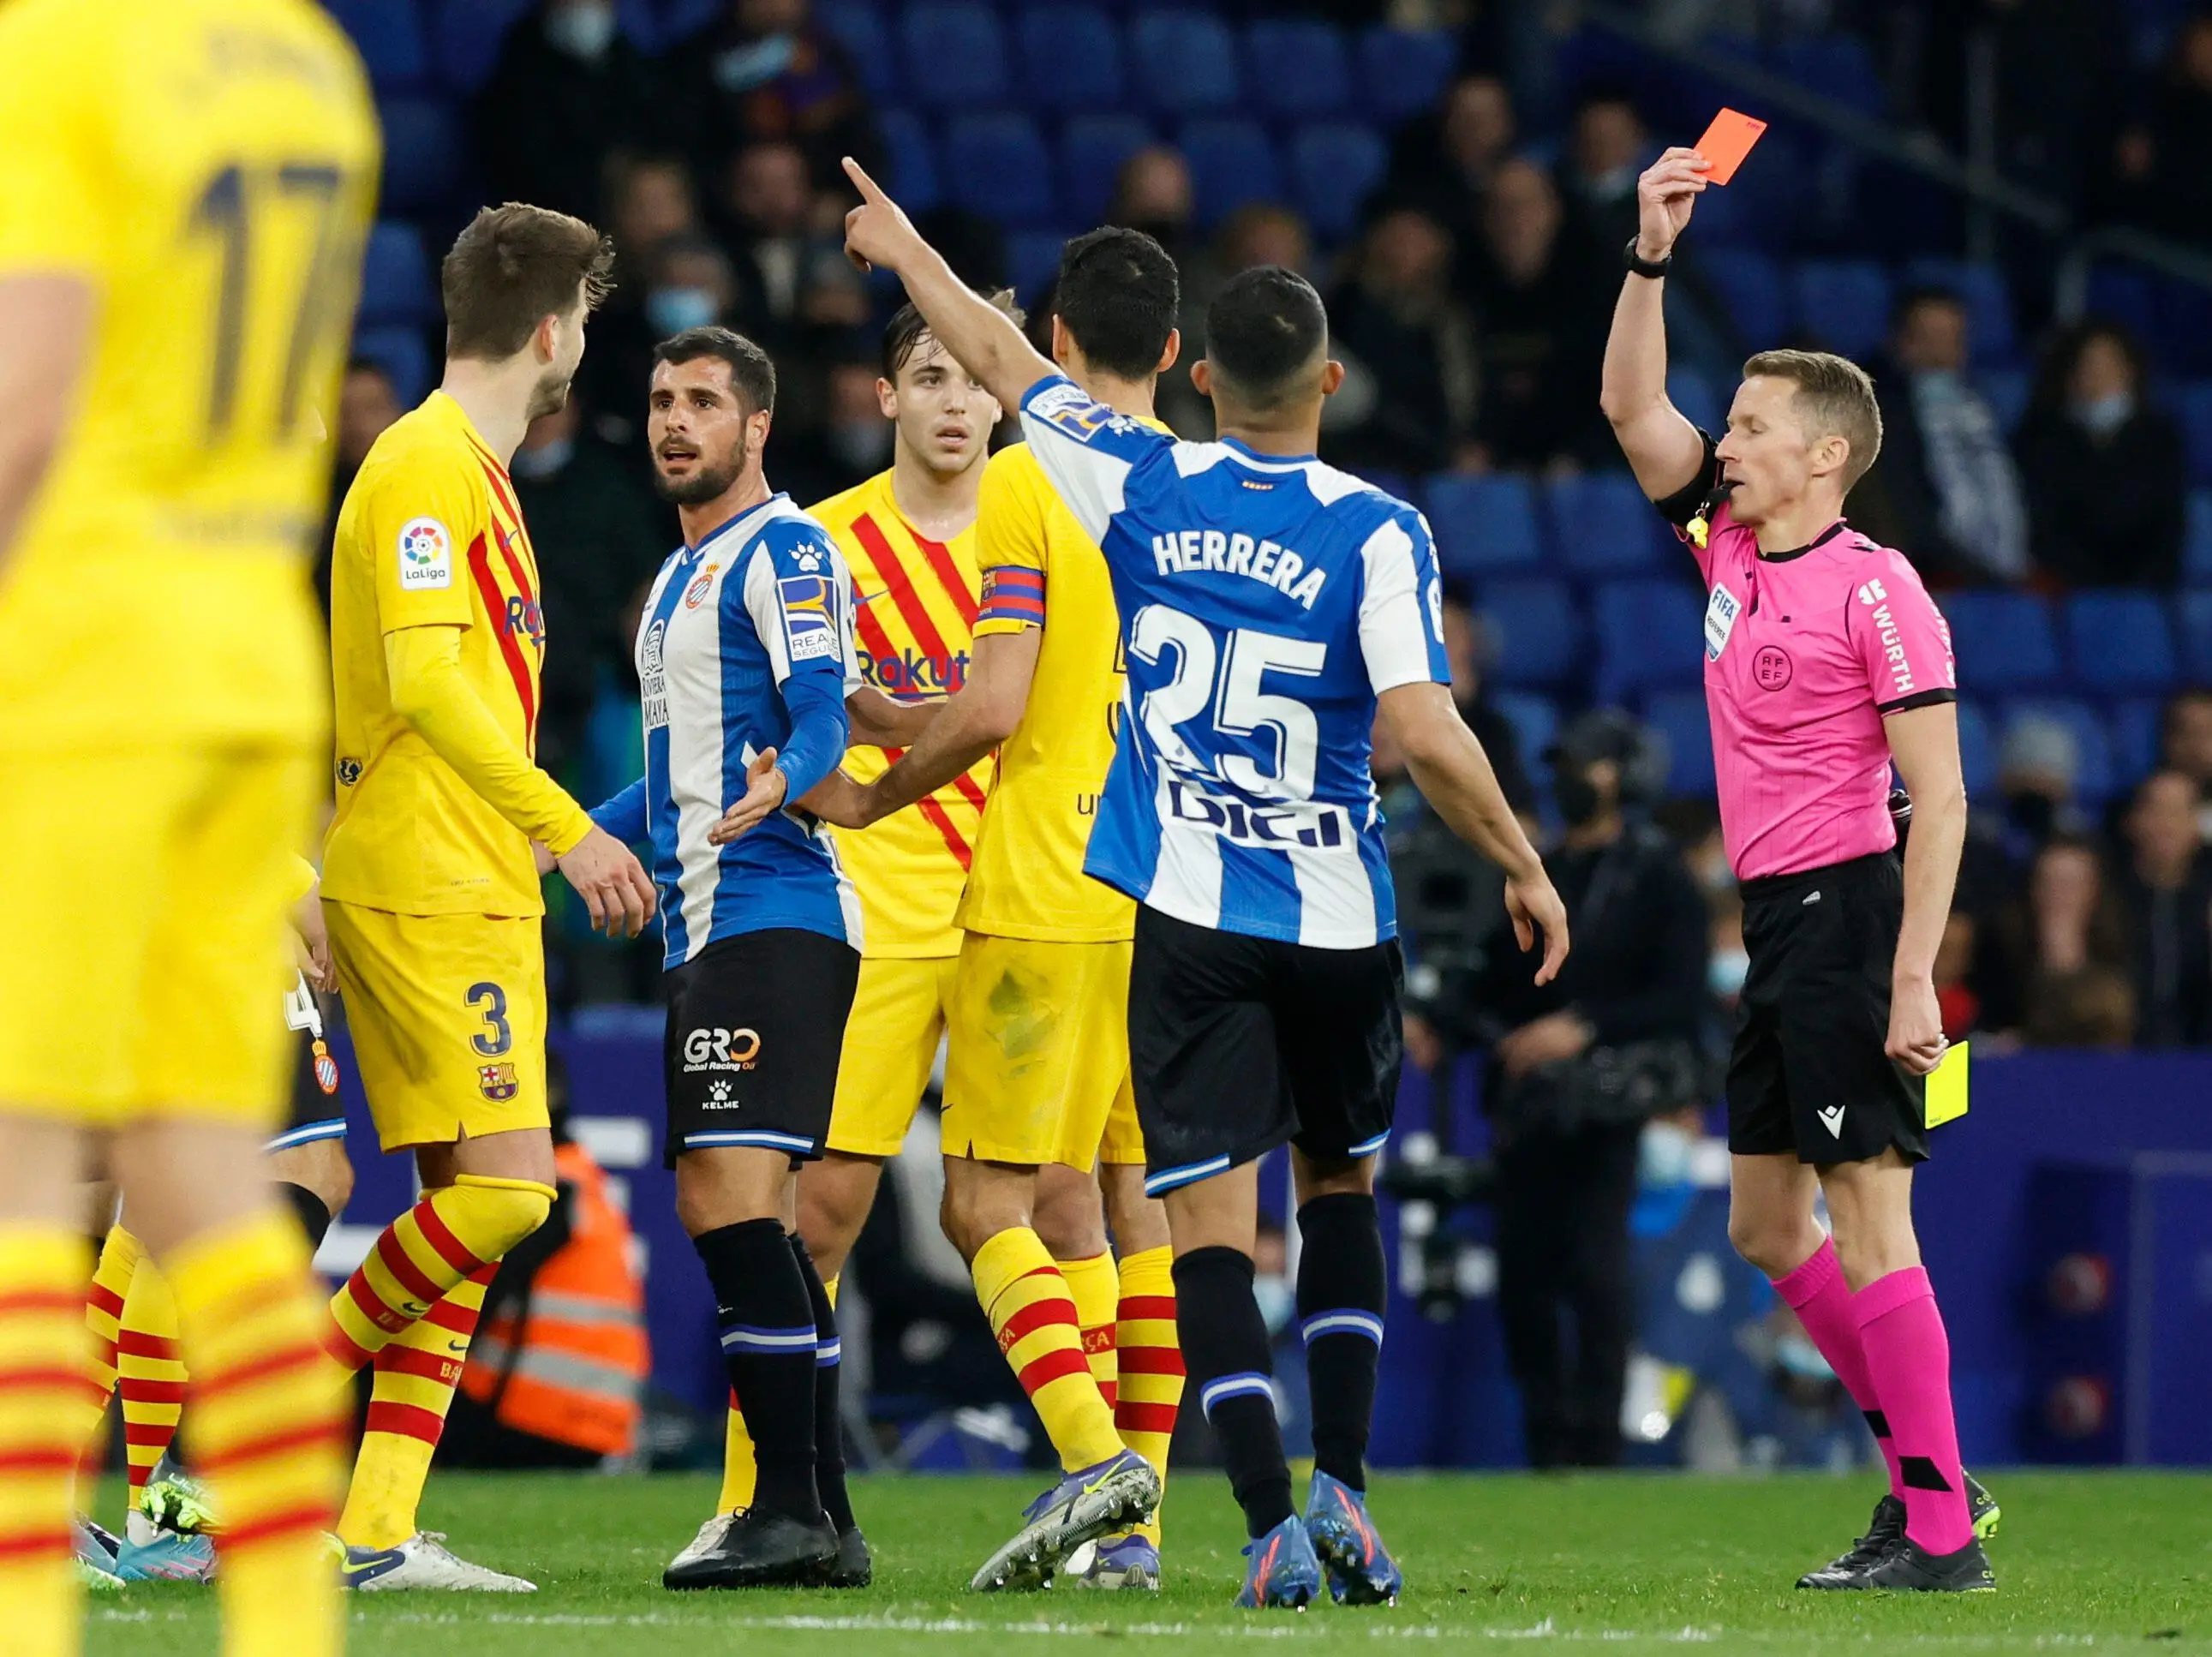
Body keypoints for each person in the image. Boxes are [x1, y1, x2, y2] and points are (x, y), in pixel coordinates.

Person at [837, 156, 1568, 1610]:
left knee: (1199, 1228)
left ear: (1203, 376)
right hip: (1336, 912)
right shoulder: (1380, 527)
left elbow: (998, 358)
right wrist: (1523, 862)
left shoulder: (1137, 474)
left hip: (1179, 909)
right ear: (1331, 381)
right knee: (1338, 1193)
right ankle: (1342, 1486)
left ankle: (1256, 1526)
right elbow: (1425, 731)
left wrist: (907, 246)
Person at [0, 1, 376, 1650]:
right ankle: (284, 1619)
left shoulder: (56, 58)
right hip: (249, 671)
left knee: (23, 1169)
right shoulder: (311, 68)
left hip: (84, 665)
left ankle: (23, 1611)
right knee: (210, 1179)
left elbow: (28, 402)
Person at [1599, 145, 1998, 1592]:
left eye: (1753, 425)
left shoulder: (1877, 587)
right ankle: (1928, 1476)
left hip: (1849, 911)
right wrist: (1649, 254)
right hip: (1777, 919)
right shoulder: (1726, 545)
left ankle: (1938, 1530)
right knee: (1767, 1225)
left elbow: (1939, 796)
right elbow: (1628, 404)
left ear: (1823, 454)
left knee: (1868, 1214)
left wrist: (1912, 977)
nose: (1727, 440)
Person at [806, 230, 1197, 1594]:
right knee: (1122, 1200)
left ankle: (1096, 1458)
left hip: (1041, 882)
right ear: (1171, 352)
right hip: (1174, 893)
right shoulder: (1207, 486)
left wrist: (873, 790)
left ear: (1049, 338)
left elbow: (991, 707)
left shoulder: (1030, 482)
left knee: (984, 1203)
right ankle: (1134, 1535)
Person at [320, 204, 658, 1592]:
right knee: (515, 1194)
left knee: (463, 1208)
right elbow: (424, 681)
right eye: (586, 322)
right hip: (427, 879)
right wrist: (563, 828)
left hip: (468, 874)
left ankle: (374, 1527)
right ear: (553, 332)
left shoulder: (471, 471)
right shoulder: (423, 465)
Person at [666, 294, 1013, 1582]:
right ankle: (785, 1502)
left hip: (983, 902)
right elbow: (809, 715)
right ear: (884, 396)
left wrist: (830, 767)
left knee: (1056, 1207)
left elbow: (833, 709)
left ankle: (1119, 1506)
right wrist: (562, 833)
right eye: (927, 374)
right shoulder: (793, 545)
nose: (953, 399)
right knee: (793, 1218)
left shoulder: (1044, 524)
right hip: (838, 905)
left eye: (972, 375)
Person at [587, 326, 923, 1591]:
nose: (675, 421)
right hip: (709, 923)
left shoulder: (786, 548)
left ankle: (783, 1506)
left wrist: (795, 770)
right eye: (660, 400)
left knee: (725, 1202)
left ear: (757, 425)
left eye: (703, 402)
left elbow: (822, 703)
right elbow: (672, 777)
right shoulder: (680, 577)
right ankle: (823, 1511)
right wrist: (555, 842)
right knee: (759, 1221)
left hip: (771, 913)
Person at [75, 865, 362, 1585]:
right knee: (311, 1171)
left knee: (124, 1201)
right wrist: (291, 880)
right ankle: (183, 1484)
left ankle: (101, 1515)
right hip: (205, 903)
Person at [1473, 712, 1710, 1469]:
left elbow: (1682, 996)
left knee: (1596, 1270)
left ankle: (1599, 1443)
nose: (1572, 778)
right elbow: (1493, 980)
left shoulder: (1657, 873)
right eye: (1565, 764)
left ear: (1625, 775)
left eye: (1589, 764)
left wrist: (1585, 1027)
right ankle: (1546, 1442)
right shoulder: (1536, 870)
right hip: (1527, 1101)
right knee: (1524, 1276)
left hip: (1609, 1104)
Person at [1861, 289, 2029, 586]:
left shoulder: (1982, 407)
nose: (1939, 351)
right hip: (1927, 574)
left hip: (2005, 569)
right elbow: (1904, 511)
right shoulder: (1878, 414)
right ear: (1900, 341)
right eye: (1928, 338)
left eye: (1952, 338)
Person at [2014, 320, 2186, 589]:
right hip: (2067, 586)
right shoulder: (2039, 440)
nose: (2100, 377)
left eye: (2110, 366)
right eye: (2090, 366)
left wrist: (2145, 587)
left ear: (2131, 372)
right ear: (2069, 377)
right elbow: (2044, 523)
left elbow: (2169, 523)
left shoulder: (2159, 439)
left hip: (2146, 589)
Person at [2115, 770, 2212, 1048]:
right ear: (2133, 821)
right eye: (2156, 810)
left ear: (2196, 825)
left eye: (2178, 813)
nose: (2166, 825)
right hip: (2120, 1047)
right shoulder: (2108, 899)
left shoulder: (2206, 900)